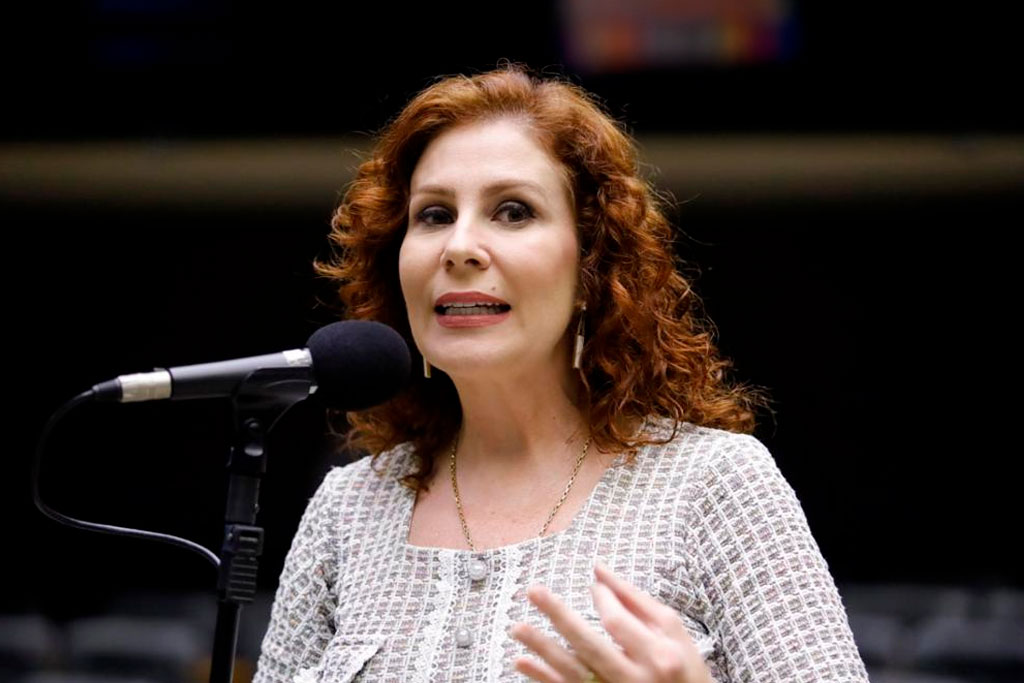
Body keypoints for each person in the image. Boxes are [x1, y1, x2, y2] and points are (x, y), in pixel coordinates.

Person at [253, 65, 869, 682]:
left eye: (513, 211)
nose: (459, 246)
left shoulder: (715, 487)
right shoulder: (347, 510)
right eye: (434, 214)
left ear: (591, 269)